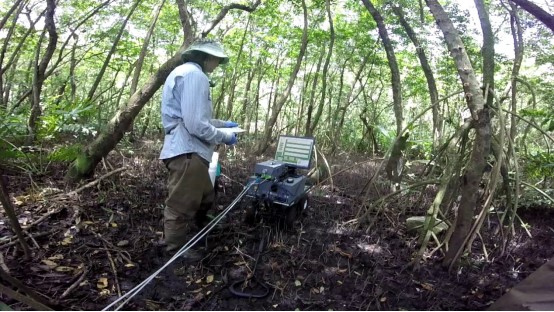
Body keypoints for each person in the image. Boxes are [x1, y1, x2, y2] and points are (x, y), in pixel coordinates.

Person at [159, 39, 238, 257]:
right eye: (216, 60)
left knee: (205, 195)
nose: (217, 65)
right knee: (181, 204)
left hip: (189, 150)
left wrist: (223, 124)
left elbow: (192, 116)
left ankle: (200, 228)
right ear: (206, 57)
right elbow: (195, 125)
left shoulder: (184, 72)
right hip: (187, 152)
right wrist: (225, 137)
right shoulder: (196, 76)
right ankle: (174, 249)